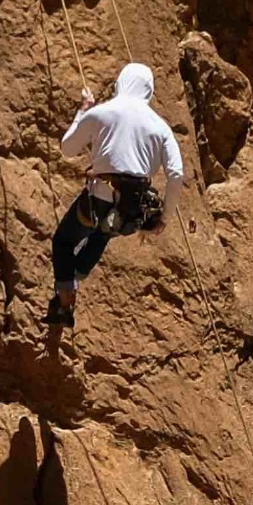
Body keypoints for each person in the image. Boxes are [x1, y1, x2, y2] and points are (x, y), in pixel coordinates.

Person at [46, 62, 184, 329]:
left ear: (122, 82)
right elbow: (176, 174)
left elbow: (67, 148)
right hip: (130, 212)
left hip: (97, 202)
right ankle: (75, 276)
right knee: (104, 233)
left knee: (63, 241)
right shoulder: (160, 127)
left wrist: (83, 111)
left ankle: (65, 299)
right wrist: (164, 217)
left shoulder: (102, 112)